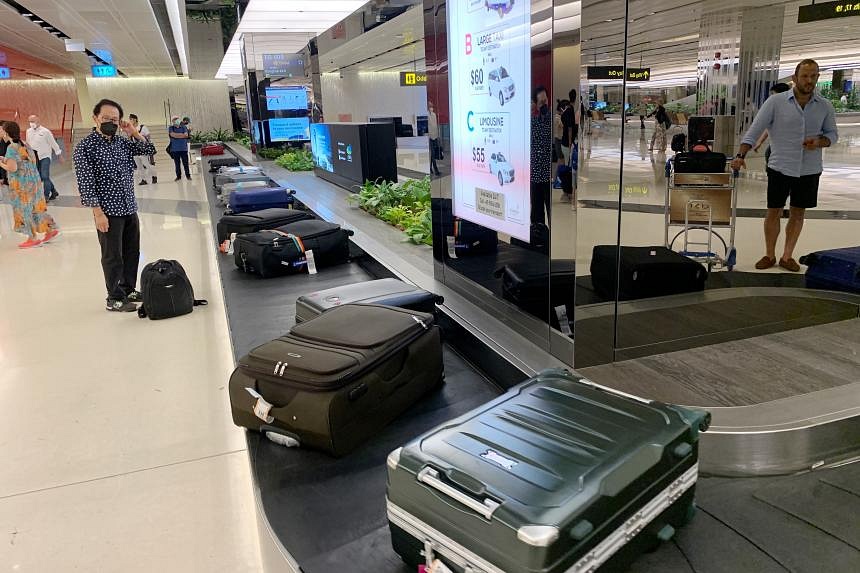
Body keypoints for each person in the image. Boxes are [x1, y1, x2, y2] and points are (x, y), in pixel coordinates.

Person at [732, 59, 838, 272]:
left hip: (809, 169)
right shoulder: (776, 102)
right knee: (774, 211)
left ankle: (787, 256)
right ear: (794, 78)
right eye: (805, 76)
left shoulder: (824, 106)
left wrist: (819, 142)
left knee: (798, 213)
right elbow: (755, 129)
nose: (810, 80)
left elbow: (832, 135)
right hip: (780, 166)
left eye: (814, 76)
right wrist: (740, 154)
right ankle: (769, 254)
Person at [73, 98, 156, 312]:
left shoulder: (122, 142)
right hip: (107, 211)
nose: (110, 122)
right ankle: (114, 297)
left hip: (129, 206)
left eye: (115, 119)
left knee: (132, 251)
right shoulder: (85, 147)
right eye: (106, 118)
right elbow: (85, 182)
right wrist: (97, 212)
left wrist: (132, 132)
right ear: (95, 118)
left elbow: (149, 149)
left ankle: (128, 288)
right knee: (112, 256)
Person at [0, 121, 59, 248]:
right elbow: (24, 162)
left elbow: (13, 168)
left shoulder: (11, 148)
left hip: (22, 186)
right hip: (34, 183)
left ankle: (32, 238)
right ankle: (50, 229)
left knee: (24, 210)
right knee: (36, 209)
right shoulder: (24, 144)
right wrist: (4, 159)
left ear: (6, 132)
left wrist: (1, 163)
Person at [752, 83, 792, 165]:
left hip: (788, 149)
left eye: (773, 95)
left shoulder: (793, 109)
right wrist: (760, 142)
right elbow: (769, 127)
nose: (771, 98)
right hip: (775, 147)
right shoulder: (775, 108)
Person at [530, 85, 553, 226]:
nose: (545, 104)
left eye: (546, 101)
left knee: (552, 213)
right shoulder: (532, 121)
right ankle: (539, 239)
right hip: (534, 175)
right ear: (535, 104)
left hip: (548, 175)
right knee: (537, 215)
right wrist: (532, 111)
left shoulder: (552, 118)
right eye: (541, 102)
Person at [26, 115, 62, 201]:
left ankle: (45, 196)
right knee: (41, 177)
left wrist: (59, 155)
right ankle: (54, 191)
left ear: (38, 120)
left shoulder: (46, 131)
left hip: (45, 156)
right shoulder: (28, 131)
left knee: (45, 176)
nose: (31, 123)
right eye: (30, 121)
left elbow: (53, 144)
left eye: (33, 121)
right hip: (35, 158)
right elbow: (28, 144)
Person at [560, 89, 579, 203]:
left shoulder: (566, 109)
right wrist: (571, 142)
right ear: (575, 98)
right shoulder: (571, 110)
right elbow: (570, 129)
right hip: (567, 144)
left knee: (568, 167)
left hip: (564, 143)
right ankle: (567, 193)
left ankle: (568, 192)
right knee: (569, 170)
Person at [128, 114, 157, 185]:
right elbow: (130, 139)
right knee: (139, 166)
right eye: (129, 119)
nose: (130, 121)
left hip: (142, 149)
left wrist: (146, 145)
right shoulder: (130, 128)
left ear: (135, 119)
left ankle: (154, 176)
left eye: (131, 119)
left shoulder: (142, 127)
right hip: (135, 149)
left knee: (146, 164)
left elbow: (148, 137)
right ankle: (144, 179)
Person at [168, 115, 191, 181]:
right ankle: (178, 176)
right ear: (172, 121)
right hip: (175, 149)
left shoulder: (183, 127)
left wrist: (177, 135)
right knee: (177, 164)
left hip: (183, 148)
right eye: (175, 119)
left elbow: (186, 135)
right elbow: (172, 135)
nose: (176, 120)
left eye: (177, 119)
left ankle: (188, 176)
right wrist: (182, 135)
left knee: (186, 163)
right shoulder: (171, 128)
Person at [428, 102, 441, 176]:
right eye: (430, 106)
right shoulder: (426, 115)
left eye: (432, 106)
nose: (431, 107)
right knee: (432, 153)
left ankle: (430, 167)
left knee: (433, 154)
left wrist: (437, 136)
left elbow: (435, 126)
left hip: (435, 136)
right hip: (430, 137)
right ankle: (436, 170)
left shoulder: (434, 114)